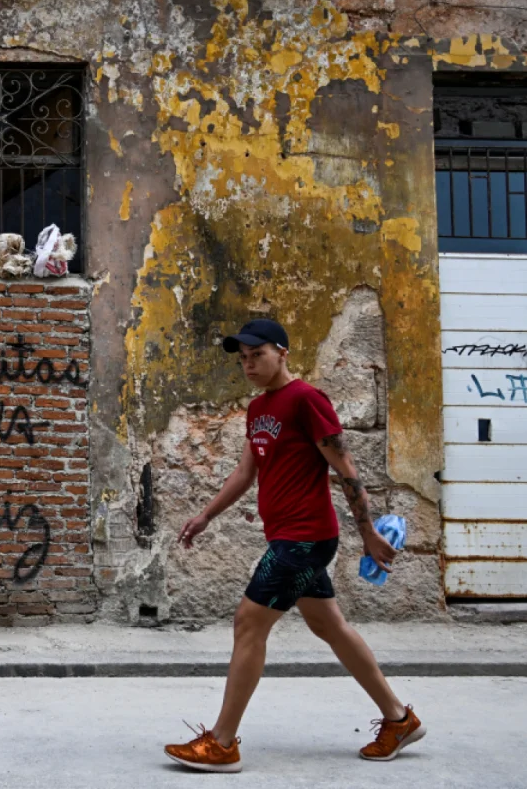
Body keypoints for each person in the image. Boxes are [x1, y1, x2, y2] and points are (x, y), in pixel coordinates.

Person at [163, 318, 426, 773]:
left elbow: (346, 468)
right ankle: (399, 719)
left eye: (257, 355)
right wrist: (206, 515)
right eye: (243, 359)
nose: (249, 364)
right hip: (289, 535)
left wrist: (367, 533)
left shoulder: (307, 400)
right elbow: (247, 473)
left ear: (282, 352)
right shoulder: (258, 409)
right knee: (330, 627)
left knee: (249, 622)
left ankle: (222, 744)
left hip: (304, 539)